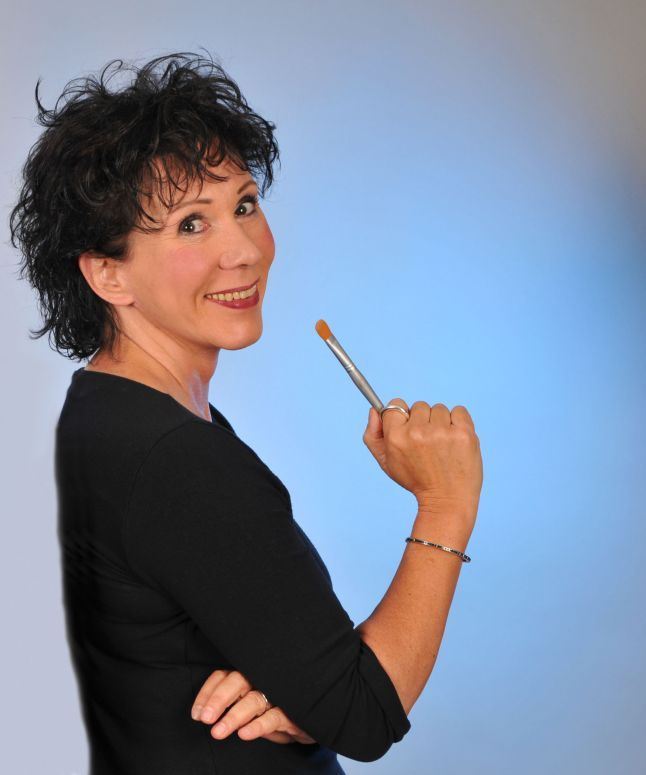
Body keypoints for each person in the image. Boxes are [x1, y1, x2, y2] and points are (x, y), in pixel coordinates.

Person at [9, 51, 483, 774]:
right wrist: (446, 505)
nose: (242, 251)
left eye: (244, 204)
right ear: (107, 272)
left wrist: (298, 692)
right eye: (189, 226)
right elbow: (364, 713)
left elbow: (170, 646)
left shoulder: (102, 413)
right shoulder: (176, 461)